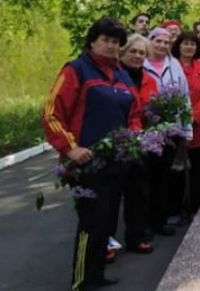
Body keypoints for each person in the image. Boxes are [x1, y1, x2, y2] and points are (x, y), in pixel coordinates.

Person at [42, 17, 140, 290]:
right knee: (92, 222)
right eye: (105, 40)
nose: (110, 46)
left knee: (106, 221)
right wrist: (70, 148)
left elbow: (134, 112)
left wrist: (134, 135)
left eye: (115, 42)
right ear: (93, 41)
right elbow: (51, 113)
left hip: (117, 161)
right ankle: (82, 281)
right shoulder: (77, 70)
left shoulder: (121, 74)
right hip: (86, 163)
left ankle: (96, 275)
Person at [110, 34, 157, 258]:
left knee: (138, 193)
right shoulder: (112, 75)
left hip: (140, 143)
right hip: (114, 143)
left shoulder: (149, 79)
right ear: (122, 52)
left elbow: (153, 108)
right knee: (110, 196)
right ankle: (105, 242)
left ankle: (137, 237)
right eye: (133, 51)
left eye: (142, 53)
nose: (138, 56)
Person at [143, 28, 193, 235]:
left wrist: (187, 128)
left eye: (166, 42)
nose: (162, 46)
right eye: (158, 41)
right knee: (145, 178)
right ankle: (143, 223)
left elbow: (184, 96)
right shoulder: (141, 64)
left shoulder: (175, 66)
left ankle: (160, 221)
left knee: (164, 177)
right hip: (147, 130)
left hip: (171, 130)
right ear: (150, 41)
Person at [173, 31, 200, 215]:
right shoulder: (172, 65)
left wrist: (193, 116)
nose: (189, 47)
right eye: (185, 43)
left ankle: (198, 209)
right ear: (179, 46)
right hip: (175, 129)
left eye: (193, 44)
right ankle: (176, 209)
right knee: (176, 174)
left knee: (198, 173)